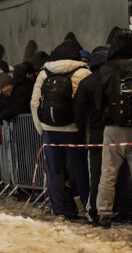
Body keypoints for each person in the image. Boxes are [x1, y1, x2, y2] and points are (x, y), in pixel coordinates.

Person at [89, 32, 132, 229]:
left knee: (108, 172)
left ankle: (104, 213)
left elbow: (99, 100)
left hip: (113, 127)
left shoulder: (107, 69)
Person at [30, 40, 92, 221]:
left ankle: (59, 209)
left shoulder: (44, 73)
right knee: (80, 170)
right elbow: (87, 104)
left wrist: (40, 128)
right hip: (74, 129)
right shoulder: (83, 72)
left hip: (50, 129)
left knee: (54, 170)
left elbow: (34, 102)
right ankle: (87, 207)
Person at [73, 45, 111, 224]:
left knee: (96, 175)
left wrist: (82, 132)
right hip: (116, 132)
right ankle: (121, 210)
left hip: (95, 134)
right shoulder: (114, 78)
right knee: (117, 173)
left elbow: (79, 112)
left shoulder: (87, 82)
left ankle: (95, 210)